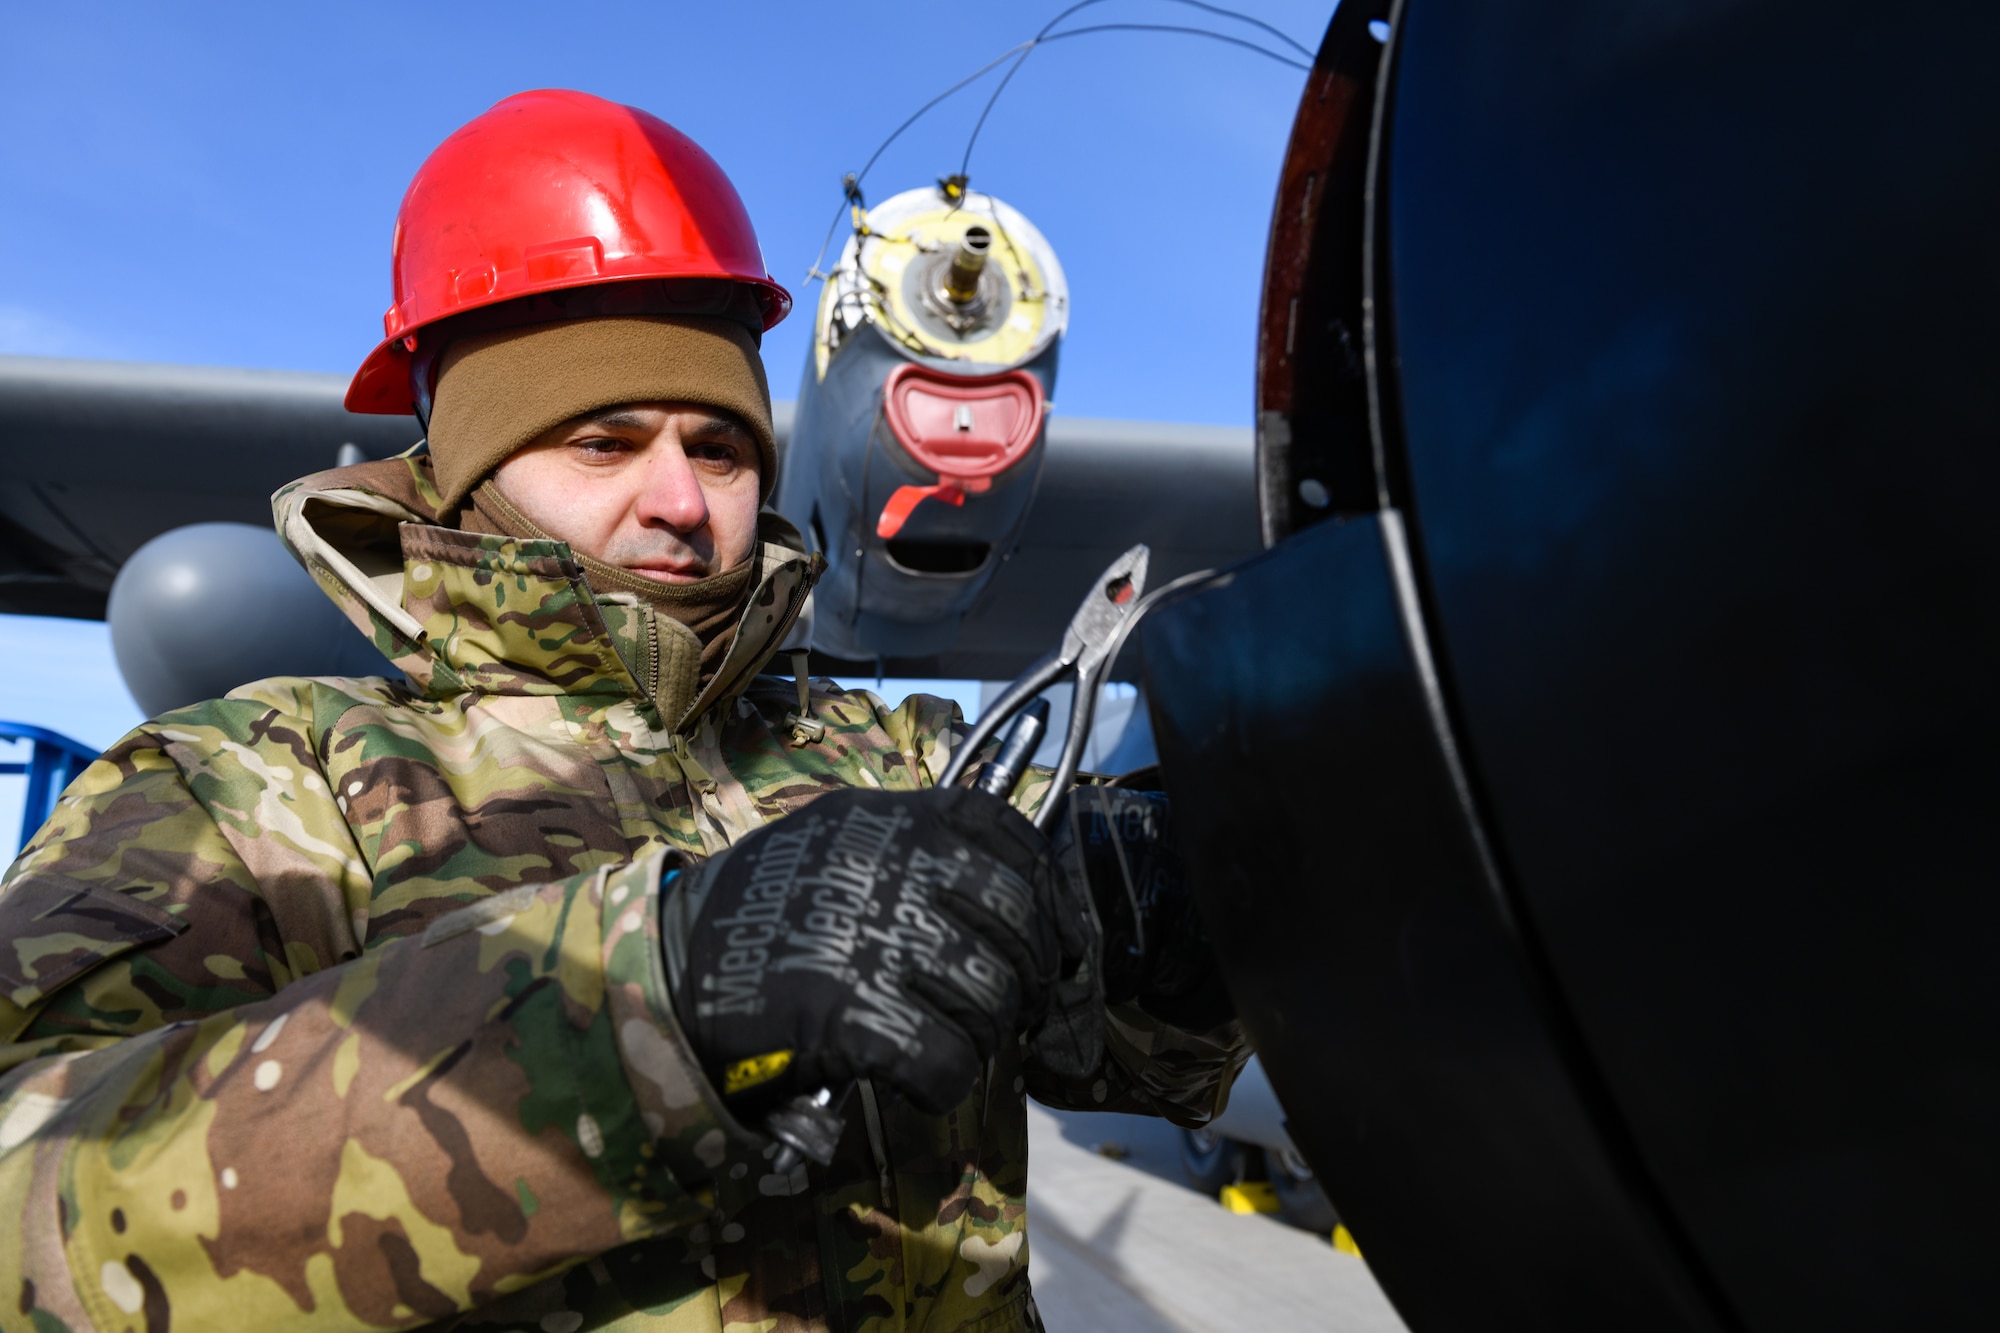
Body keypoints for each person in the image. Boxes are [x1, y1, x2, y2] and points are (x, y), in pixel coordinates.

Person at [0, 90, 1243, 1332]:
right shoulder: (258, 787)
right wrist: (649, 1001)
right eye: (602, 440)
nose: (679, 499)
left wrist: (1180, 946)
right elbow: (26, 1208)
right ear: (466, 470)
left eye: (719, 445)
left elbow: (1130, 1064)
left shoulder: (904, 760)